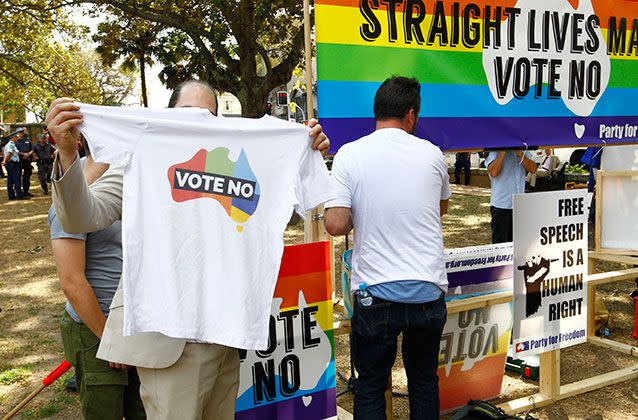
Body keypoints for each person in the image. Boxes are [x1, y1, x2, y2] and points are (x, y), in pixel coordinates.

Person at [45, 79, 330, 420]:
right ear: (166, 117)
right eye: (186, 114)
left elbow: (292, 205)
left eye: (206, 116)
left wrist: (303, 150)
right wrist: (66, 153)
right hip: (168, 337)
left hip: (226, 331)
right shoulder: (143, 157)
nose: (196, 123)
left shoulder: (241, 161)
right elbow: (79, 217)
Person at [324, 76, 450, 419]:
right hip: (427, 289)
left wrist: (358, 214)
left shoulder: (350, 154)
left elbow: (335, 224)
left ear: (377, 111)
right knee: (424, 381)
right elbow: (439, 209)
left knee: (370, 385)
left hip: (376, 292)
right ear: (410, 114)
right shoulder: (433, 155)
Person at [50, 147, 146, 420]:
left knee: (142, 411)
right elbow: (72, 282)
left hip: (134, 324)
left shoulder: (130, 183)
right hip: (97, 328)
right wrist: (111, 341)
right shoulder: (72, 197)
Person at [486, 150, 537, 243]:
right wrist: (502, 152)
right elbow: (493, 172)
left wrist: (521, 154)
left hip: (519, 205)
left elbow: (533, 169)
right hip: (501, 205)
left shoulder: (522, 150)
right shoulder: (495, 151)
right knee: (500, 244)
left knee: (518, 243)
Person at [2, 134, 26, 200]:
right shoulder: (10, 145)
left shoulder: (12, 144)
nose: (18, 138)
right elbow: (9, 153)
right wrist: (4, 160)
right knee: (16, 179)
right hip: (12, 164)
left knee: (11, 179)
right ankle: (19, 195)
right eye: (17, 137)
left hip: (11, 163)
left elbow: (17, 152)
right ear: (13, 138)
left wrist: (23, 154)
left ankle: (11, 195)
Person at [15, 128, 34, 197]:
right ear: (17, 133)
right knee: (18, 177)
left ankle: (26, 191)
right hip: (18, 161)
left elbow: (32, 149)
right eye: (19, 132)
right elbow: (14, 151)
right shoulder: (15, 141)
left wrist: (28, 154)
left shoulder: (27, 140)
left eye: (22, 132)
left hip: (27, 161)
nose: (21, 133)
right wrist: (22, 154)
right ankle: (19, 192)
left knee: (27, 177)